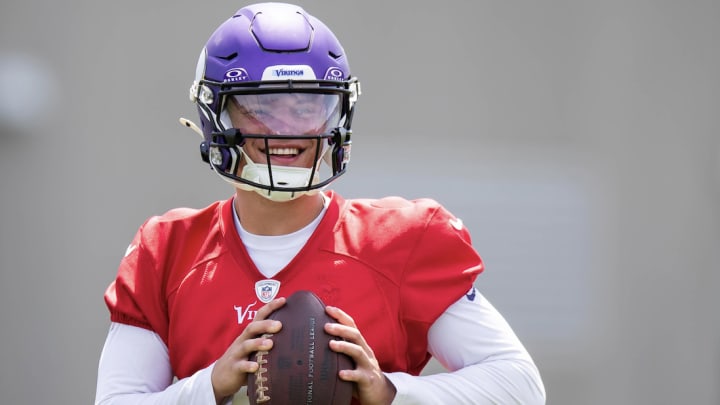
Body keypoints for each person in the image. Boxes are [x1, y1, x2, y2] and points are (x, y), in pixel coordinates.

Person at [95, 3, 546, 404]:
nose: (288, 129)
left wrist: (390, 391)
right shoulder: (167, 251)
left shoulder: (402, 241)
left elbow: (519, 386)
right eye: (262, 108)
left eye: (307, 107)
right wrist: (211, 384)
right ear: (217, 117)